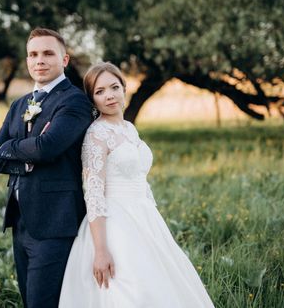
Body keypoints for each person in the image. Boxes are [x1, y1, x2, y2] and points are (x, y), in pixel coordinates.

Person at [59, 62, 215, 307]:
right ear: (92, 99)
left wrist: (152, 217)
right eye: (100, 92)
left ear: (124, 88)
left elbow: (140, 180)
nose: (109, 95)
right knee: (130, 291)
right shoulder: (96, 135)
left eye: (114, 87)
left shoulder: (129, 129)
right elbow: (94, 194)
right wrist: (101, 251)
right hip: (113, 224)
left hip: (144, 217)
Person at [0, 28, 92, 308]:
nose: (39, 60)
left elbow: (49, 147)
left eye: (47, 53)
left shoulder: (75, 101)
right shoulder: (20, 103)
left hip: (55, 222)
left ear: (64, 60)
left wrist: (13, 148)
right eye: (33, 54)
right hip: (20, 222)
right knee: (28, 300)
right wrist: (28, 152)